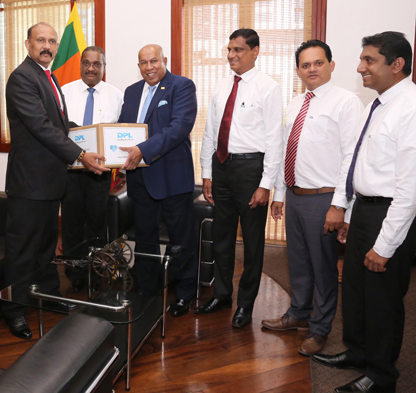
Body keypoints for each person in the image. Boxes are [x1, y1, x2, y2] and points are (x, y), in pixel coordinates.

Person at [312, 32, 416, 393]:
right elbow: (361, 164)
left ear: (397, 65)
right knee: (355, 291)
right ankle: (358, 352)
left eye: (369, 60)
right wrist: (350, 213)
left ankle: (382, 374)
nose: (360, 68)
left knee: (383, 299)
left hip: (390, 216)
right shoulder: (378, 103)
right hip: (365, 212)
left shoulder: (410, 107)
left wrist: (385, 245)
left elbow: (409, 189)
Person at [3, 23, 108, 339]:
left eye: (51, 41)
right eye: (40, 40)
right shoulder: (22, 77)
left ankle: (47, 297)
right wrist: (81, 154)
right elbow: (41, 126)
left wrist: (95, 137)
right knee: (22, 251)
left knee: (46, 249)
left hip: (50, 183)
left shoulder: (47, 77)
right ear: (28, 43)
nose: (46, 46)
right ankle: (14, 310)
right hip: (29, 184)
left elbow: (60, 124)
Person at [262, 40, 363, 356]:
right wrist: (280, 193)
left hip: (324, 199)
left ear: (331, 65)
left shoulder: (347, 102)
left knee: (324, 268)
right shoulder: (295, 103)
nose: (312, 69)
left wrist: (340, 205)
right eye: (306, 65)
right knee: (299, 262)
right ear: (298, 71)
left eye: (318, 63)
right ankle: (298, 315)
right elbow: (285, 150)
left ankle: (320, 330)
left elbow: (351, 156)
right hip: (295, 195)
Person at [197, 29, 283, 328]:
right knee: (221, 238)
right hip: (221, 168)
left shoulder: (268, 87)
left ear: (255, 51)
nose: (231, 55)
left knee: (253, 243)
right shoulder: (221, 86)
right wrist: (207, 174)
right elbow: (210, 133)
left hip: (251, 171)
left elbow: (275, 140)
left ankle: (245, 305)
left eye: (239, 50)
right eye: (229, 49)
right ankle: (222, 295)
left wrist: (265, 184)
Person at [117, 44, 198, 317]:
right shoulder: (131, 92)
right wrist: (114, 156)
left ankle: (185, 293)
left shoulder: (182, 86)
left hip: (172, 177)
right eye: (143, 62)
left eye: (154, 61)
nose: (149, 67)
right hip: (139, 179)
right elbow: (123, 130)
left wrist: (143, 149)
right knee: (146, 237)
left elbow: (179, 128)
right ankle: (146, 289)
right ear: (138, 65)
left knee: (181, 239)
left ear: (164, 60)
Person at [61, 46, 123, 253]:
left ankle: (95, 272)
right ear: (80, 65)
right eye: (86, 63)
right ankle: (73, 271)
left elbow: (121, 133)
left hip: (100, 173)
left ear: (104, 67)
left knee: (97, 224)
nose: (91, 68)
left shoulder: (116, 96)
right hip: (71, 171)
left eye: (97, 64)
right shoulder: (63, 93)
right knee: (71, 224)